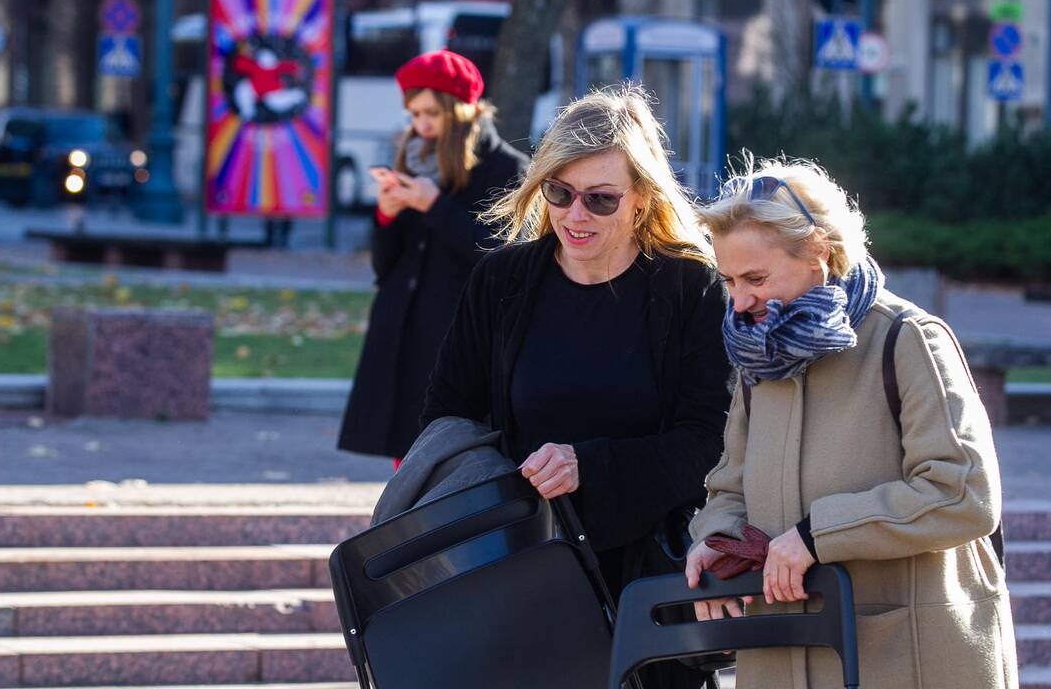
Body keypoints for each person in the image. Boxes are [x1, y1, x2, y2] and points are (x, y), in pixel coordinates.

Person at [421, 85, 733, 688]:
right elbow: (447, 419)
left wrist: (589, 466)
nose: (575, 215)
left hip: (651, 579)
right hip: (521, 574)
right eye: (559, 193)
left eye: (601, 199)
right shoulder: (503, 281)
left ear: (641, 198)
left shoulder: (687, 288)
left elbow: (710, 442)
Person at [685, 156, 1018, 689]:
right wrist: (717, 539)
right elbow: (729, 487)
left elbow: (963, 493)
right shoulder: (758, 355)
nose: (741, 301)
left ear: (820, 252)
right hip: (782, 658)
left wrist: (818, 536)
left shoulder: (907, 338)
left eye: (756, 277)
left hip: (908, 658)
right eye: (728, 280)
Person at [338, 50, 527, 463]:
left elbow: (502, 256)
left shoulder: (506, 168)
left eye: (431, 113)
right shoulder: (415, 156)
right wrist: (386, 218)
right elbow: (386, 266)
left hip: (456, 333)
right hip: (406, 327)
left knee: (448, 454)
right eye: (414, 114)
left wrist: (435, 206)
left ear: (460, 110)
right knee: (406, 455)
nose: (421, 125)